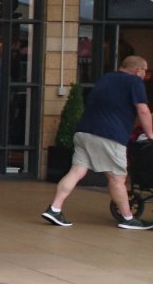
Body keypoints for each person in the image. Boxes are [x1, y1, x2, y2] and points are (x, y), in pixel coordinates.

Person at [42, 56, 153, 230]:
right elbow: (143, 110)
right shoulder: (134, 82)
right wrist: (150, 134)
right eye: (145, 71)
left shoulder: (106, 78)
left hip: (84, 131)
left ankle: (54, 208)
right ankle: (128, 218)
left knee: (76, 171)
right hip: (109, 135)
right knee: (117, 178)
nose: (145, 75)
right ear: (138, 70)